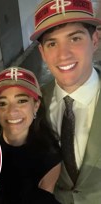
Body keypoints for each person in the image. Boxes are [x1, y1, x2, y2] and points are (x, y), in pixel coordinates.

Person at [30, 0, 101, 203]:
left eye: (75, 38)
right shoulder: (32, 105)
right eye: (52, 43)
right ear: (42, 52)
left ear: (95, 40)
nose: (63, 54)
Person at [0, 67, 62, 204]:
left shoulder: (50, 157)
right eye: (2, 103)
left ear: (36, 106)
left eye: (21, 101)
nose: (12, 112)